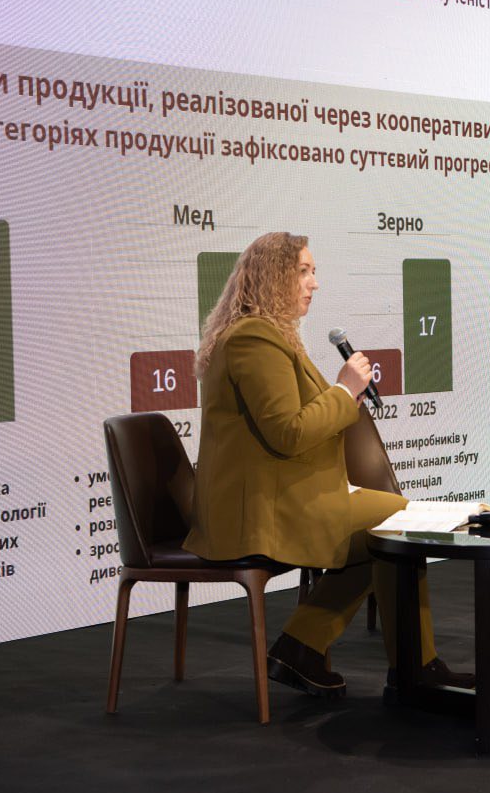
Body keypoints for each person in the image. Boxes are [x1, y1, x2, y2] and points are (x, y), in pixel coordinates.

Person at [183, 232, 472, 698]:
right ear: (274, 276)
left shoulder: (269, 335)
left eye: (313, 272)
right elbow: (288, 432)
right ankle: (413, 671)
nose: (314, 283)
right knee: (398, 523)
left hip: (280, 496)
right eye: (303, 271)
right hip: (258, 513)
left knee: (386, 530)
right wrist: (343, 390)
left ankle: (303, 649)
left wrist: (344, 396)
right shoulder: (254, 338)